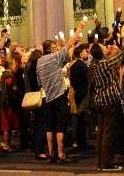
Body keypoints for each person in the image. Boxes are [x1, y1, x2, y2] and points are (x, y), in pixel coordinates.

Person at [36, 24, 86, 163]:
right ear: (50, 49)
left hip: (47, 97)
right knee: (60, 126)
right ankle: (61, 154)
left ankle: (51, 154)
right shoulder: (54, 57)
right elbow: (70, 44)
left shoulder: (39, 61)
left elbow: (39, 81)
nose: (56, 49)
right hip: (59, 96)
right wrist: (80, 28)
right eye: (54, 47)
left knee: (49, 126)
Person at [89, 40, 124, 172]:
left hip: (99, 100)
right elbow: (122, 55)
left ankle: (100, 161)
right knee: (108, 132)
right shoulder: (104, 63)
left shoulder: (93, 64)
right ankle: (107, 163)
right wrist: (118, 46)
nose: (105, 48)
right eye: (103, 47)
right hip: (109, 100)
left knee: (101, 131)